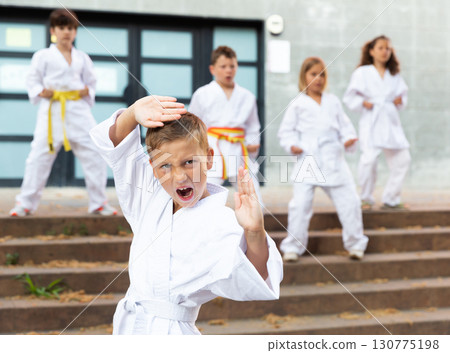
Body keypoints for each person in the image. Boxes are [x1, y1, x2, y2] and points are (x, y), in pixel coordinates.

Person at [89, 95, 283, 335]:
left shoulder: (220, 221)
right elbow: (116, 146)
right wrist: (133, 112)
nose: (179, 176)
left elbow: (255, 276)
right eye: (166, 166)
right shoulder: (148, 194)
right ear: (153, 168)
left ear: (210, 158)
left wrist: (254, 232)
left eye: (189, 162)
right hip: (128, 329)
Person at [9, 8, 116, 217]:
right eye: (61, 27)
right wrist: (41, 91)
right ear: (53, 30)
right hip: (52, 110)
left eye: (70, 28)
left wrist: (88, 90)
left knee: (94, 154)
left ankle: (99, 202)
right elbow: (32, 80)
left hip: (78, 110)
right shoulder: (43, 56)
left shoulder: (82, 58)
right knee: (38, 157)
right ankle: (25, 204)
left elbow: (92, 82)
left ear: (75, 31)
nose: (66, 32)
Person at [278, 57, 368, 262]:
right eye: (313, 74)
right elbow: (286, 132)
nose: (318, 79)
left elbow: (345, 127)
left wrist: (348, 139)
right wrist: (292, 144)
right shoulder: (298, 103)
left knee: (351, 202)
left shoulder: (333, 101)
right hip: (307, 160)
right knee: (300, 205)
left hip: (333, 159)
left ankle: (356, 244)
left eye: (322, 74)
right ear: (304, 77)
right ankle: (293, 247)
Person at [189, 46, 264, 205]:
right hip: (213, 148)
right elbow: (193, 124)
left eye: (232, 66)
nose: (228, 71)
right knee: (206, 195)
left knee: (254, 197)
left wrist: (253, 143)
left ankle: (253, 227)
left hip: (239, 149)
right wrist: (197, 149)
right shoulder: (202, 94)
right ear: (212, 69)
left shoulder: (247, 96)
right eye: (223, 67)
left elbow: (252, 126)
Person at [343, 35, 410, 211]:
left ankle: (391, 198)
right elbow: (349, 97)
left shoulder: (394, 75)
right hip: (372, 119)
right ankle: (365, 197)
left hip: (390, 120)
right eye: (380, 48)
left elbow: (403, 97)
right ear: (371, 51)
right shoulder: (362, 73)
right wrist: (362, 103)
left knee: (403, 159)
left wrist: (399, 101)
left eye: (387, 48)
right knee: (369, 160)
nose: (384, 51)